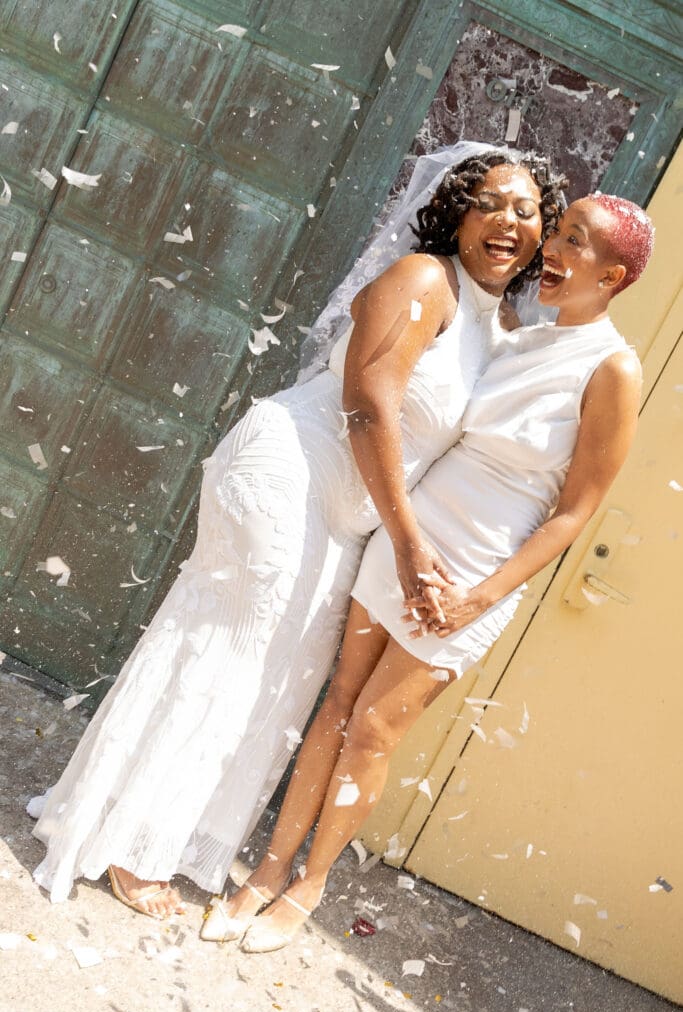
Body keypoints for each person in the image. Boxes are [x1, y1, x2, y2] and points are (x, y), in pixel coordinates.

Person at [31, 143, 566, 920]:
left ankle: (156, 832)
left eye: (525, 210)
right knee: (231, 650)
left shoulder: (503, 324)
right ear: (458, 212)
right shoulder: (423, 280)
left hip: (352, 514)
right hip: (289, 475)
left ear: (543, 230)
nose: (506, 221)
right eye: (488, 203)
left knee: (279, 679)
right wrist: (408, 543)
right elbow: (368, 409)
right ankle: (124, 844)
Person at [212, 192, 653, 952]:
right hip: (408, 540)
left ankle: (309, 885)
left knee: (373, 731)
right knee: (337, 703)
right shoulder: (517, 336)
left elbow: (573, 513)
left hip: (477, 573)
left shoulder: (613, 369)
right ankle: (268, 868)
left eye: (575, 240)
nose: (551, 246)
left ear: (611, 276)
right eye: (558, 231)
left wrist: (477, 600)